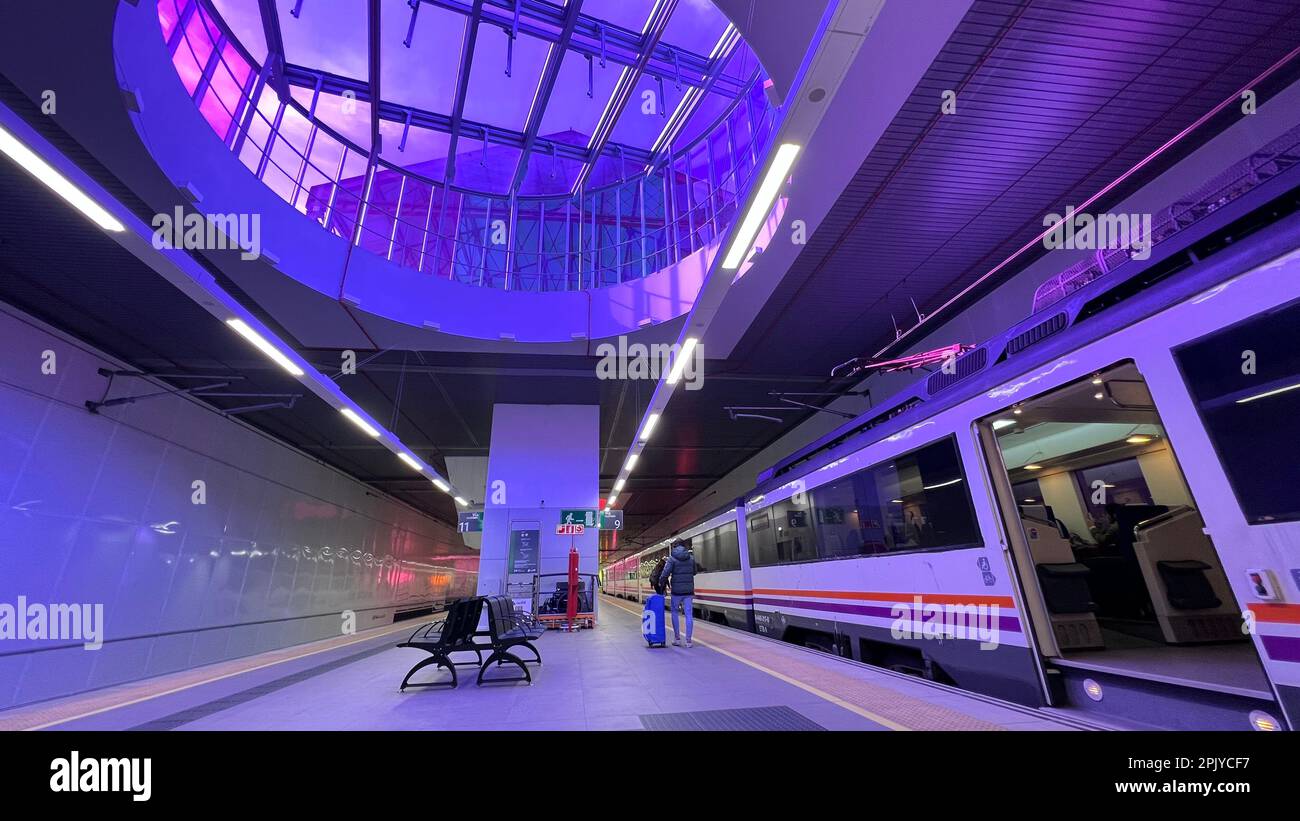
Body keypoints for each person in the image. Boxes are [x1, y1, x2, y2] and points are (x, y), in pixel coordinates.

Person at [659, 540, 696, 647]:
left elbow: (665, 573)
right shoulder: (691, 558)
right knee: (689, 614)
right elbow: (694, 572)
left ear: (674, 547)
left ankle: (677, 639)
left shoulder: (672, 559)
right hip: (689, 591)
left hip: (676, 591)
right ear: (684, 546)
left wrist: (661, 581)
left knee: (675, 612)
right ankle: (689, 641)